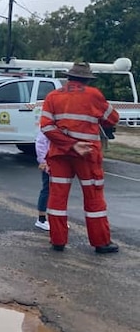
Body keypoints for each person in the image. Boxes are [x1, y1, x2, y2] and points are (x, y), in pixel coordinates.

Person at [40, 61, 120, 253]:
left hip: (60, 154)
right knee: (93, 198)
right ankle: (101, 242)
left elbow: (46, 127)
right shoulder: (94, 95)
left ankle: (58, 240)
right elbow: (113, 118)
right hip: (87, 155)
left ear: (69, 77)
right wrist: (78, 143)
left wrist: (69, 144)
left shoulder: (52, 96)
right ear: (86, 79)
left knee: (57, 197)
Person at [34, 128, 51, 231]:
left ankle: (57, 219)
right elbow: (40, 142)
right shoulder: (47, 126)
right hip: (48, 163)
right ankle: (41, 219)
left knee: (59, 192)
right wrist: (42, 160)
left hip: (60, 162)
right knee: (47, 189)